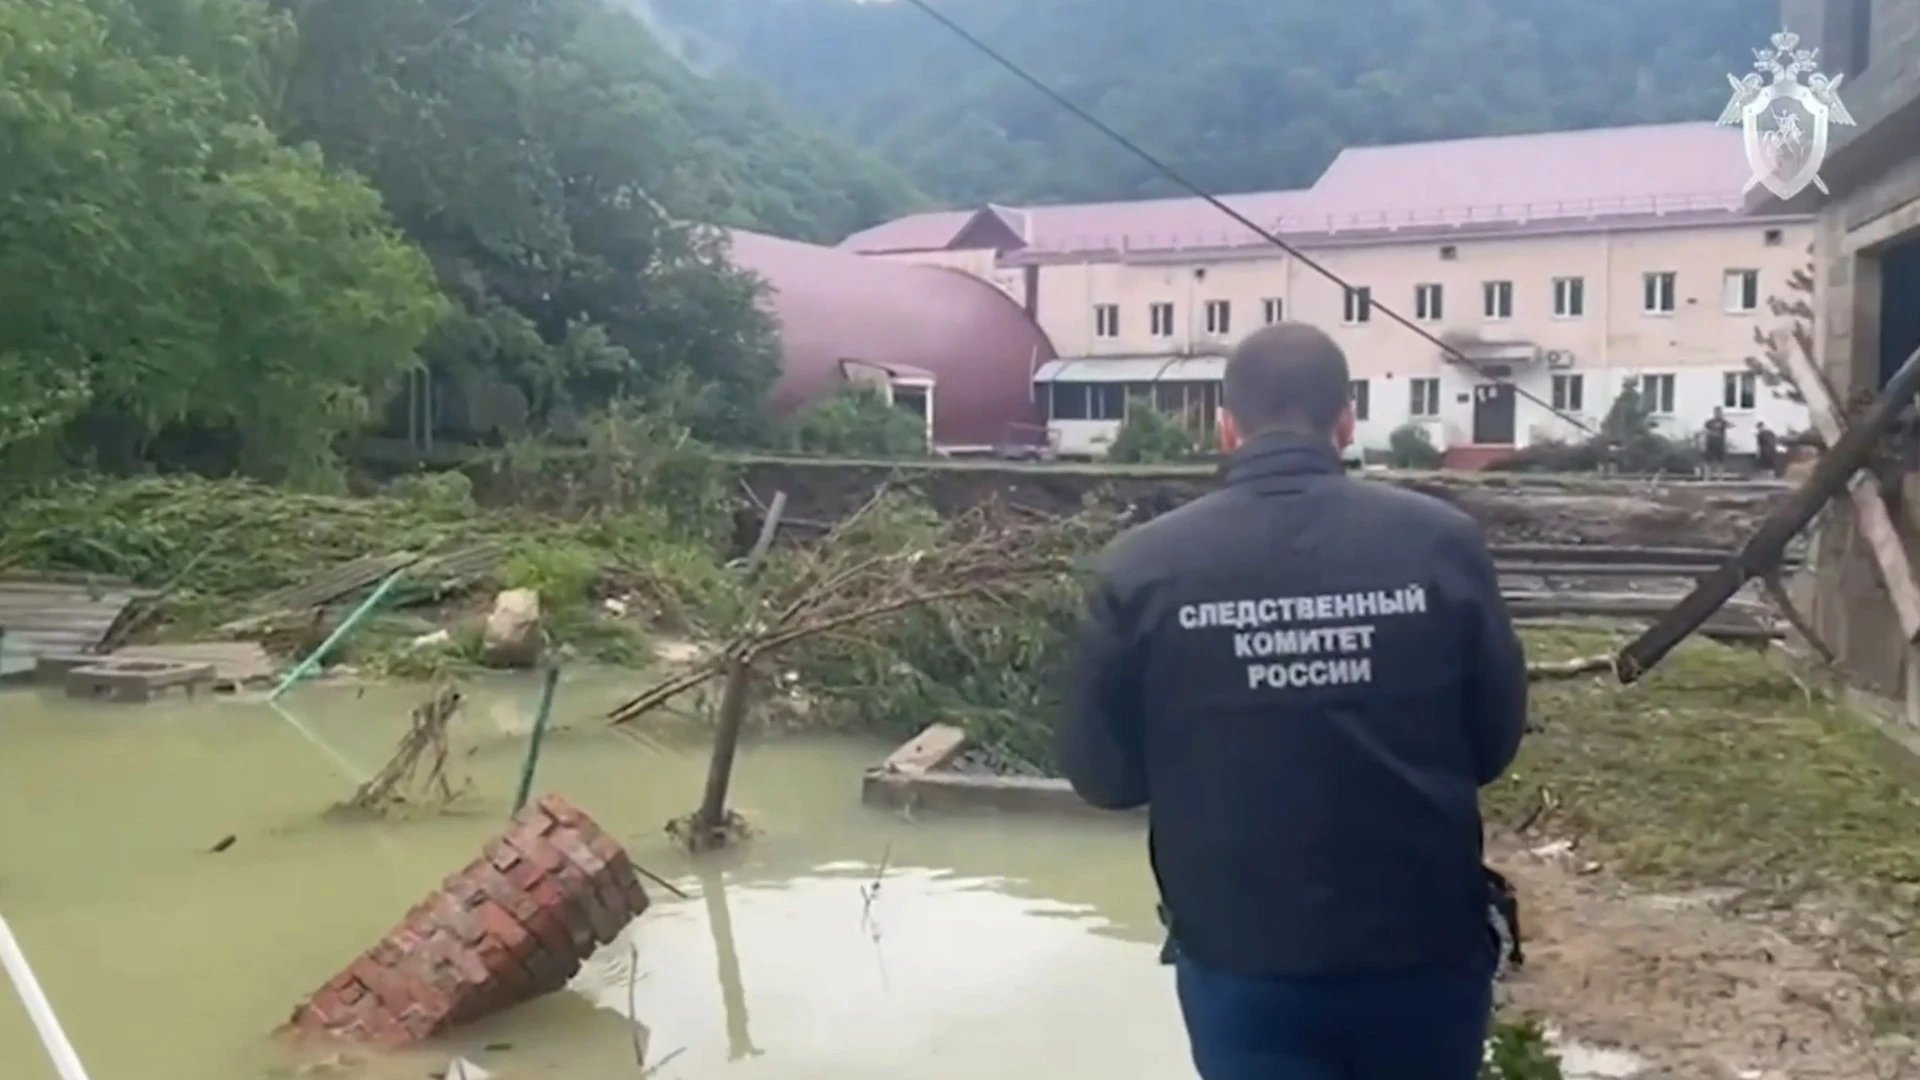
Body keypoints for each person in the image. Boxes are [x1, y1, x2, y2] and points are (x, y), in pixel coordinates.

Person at [1056, 321, 1528, 1080]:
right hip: (1422, 954)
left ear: (1225, 425)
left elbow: (1102, 779)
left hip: (1242, 961)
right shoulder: (1442, 543)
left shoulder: (1142, 568)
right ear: (1346, 418)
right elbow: (1493, 742)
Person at [1702, 407, 1730, 478]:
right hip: (1710, 444)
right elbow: (1705, 430)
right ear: (1714, 413)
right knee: (1708, 461)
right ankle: (1707, 477)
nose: (1718, 414)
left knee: (1720, 461)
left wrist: (1724, 424)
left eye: (1720, 413)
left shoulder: (1723, 422)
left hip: (1720, 444)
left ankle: (1720, 478)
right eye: (1717, 412)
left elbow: (1731, 425)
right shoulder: (1710, 422)